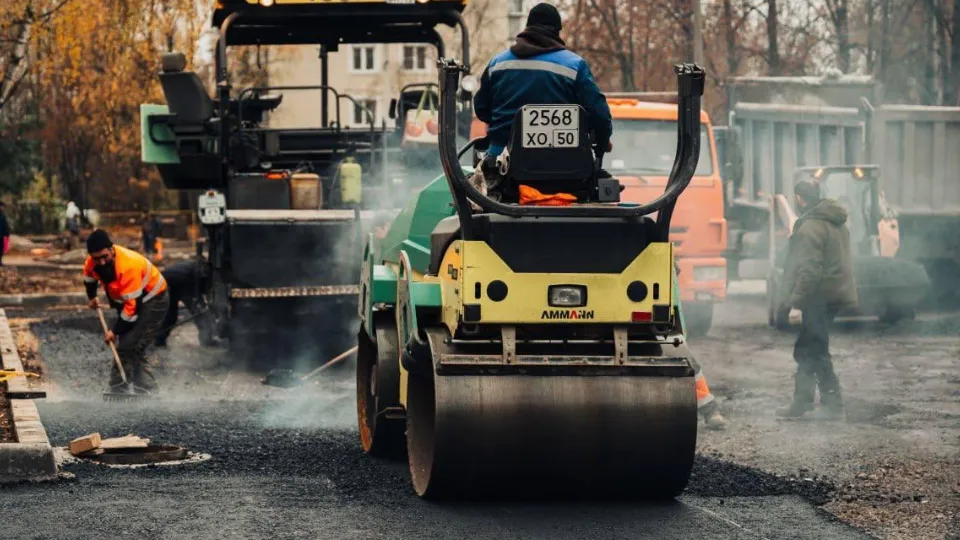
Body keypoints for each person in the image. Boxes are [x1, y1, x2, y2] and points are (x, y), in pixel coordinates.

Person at [470, 2, 613, 204]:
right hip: (568, 170)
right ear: (557, 31)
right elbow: (600, 115)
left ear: (527, 28)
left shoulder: (498, 63)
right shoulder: (574, 65)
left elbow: (482, 110)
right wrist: (602, 141)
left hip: (504, 168)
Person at [777, 179, 858, 419]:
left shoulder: (811, 227)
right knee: (807, 347)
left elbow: (810, 271)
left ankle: (832, 405)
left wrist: (796, 304)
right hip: (833, 293)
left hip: (818, 297)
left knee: (815, 349)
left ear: (799, 198)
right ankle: (803, 403)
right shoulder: (836, 223)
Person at [83, 229, 170, 393]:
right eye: (96, 258)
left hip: (153, 299)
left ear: (111, 250)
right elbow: (89, 278)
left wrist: (114, 331)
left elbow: (132, 311)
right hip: (129, 300)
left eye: (104, 257)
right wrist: (92, 297)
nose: (102, 262)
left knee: (132, 345)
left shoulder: (128, 266)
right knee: (130, 345)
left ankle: (123, 391)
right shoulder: (92, 262)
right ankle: (141, 390)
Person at [154, 260, 215, 348]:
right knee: (200, 314)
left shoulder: (201, 266)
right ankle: (207, 341)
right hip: (182, 282)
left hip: (170, 281)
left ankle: (158, 341)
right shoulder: (207, 271)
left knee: (170, 316)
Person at [0, 202, 9, 266]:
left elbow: (4, 225)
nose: (2, 208)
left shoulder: (2, 215)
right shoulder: (2, 215)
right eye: (1, 206)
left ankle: (0, 261)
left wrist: (6, 233)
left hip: (1, 235)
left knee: (1, 249)